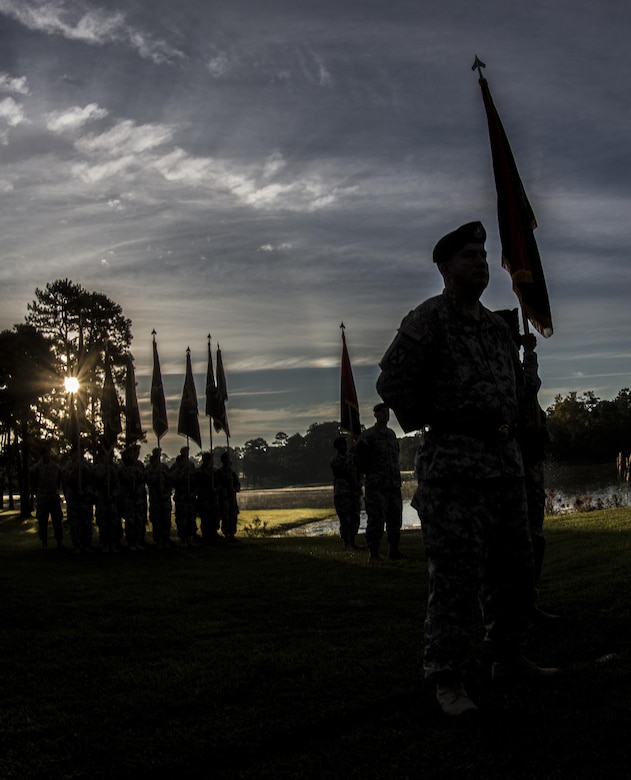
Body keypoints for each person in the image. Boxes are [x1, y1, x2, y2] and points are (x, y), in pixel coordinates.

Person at [376, 221, 558, 718]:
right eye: (468, 256)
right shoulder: (430, 318)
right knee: (455, 578)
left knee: (514, 570)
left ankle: (507, 655)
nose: (479, 262)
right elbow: (393, 382)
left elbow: (516, 393)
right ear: (444, 268)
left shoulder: (498, 328)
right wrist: (439, 418)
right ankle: (448, 677)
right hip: (455, 471)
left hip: (504, 465)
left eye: (482, 254)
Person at [353, 403, 403, 562]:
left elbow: (396, 456)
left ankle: (394, 550)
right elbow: (358, 459)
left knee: (395, 520)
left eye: (387, 412)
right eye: (382, 412)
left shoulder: (391, 434)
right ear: (375, 415)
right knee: (376, 520)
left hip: (393, 485)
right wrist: (371, 474)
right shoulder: (368, 436)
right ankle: (373, 553)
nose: (385, 415)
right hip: (377, 486)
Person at [330, 436, 362, 550]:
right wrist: (352, 457)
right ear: (337, 447)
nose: (345, 446)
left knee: (355, 518)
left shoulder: (352, 458)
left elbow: (358, 469)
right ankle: (347, 543)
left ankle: (353, 541)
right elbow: (345, 470)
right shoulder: (335, 461)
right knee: (345, 520)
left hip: (353, 493)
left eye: (345, 444)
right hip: (342, 494)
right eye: (342, 445)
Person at [30, 445, 65, 550]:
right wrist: (37, 493)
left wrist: (56, 490)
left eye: (48, 453)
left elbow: (60, 478)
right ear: (42, 455)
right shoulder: (36, 468)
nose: (47, 455)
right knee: (42, 521)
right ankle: (44, 542)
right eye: (45, 453)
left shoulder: (56, 467)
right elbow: (33, 481)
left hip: (53, 497)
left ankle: (59, 542)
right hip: (43, 497)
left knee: (57, 520)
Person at [62, 446, 94, 554]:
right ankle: (77, 544)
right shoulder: (68, 466)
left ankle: (86, 544)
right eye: (75, 454)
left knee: (86, 522)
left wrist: (86, 491)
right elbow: (66, 480)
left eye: (79, 453)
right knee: (74, 523)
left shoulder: (87, 466)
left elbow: (91, 480)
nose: (77, 455)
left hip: (85, 498)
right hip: (73, 497)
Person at [93, 448, 123, 552]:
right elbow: (95, 484)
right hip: (101, 499)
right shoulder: (96, 469)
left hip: (112, 500)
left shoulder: (115, 468)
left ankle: (114, 543)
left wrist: (113, 495)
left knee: (114, 522)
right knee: (103, 522)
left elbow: (118, 484)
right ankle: (105, 543)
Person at [119, 443, 148, 551]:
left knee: (139, 520)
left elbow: (143, 478)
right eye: (135, 452)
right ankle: (131, 542)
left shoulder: (139, 465)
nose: (137, 454)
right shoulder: (124, 465)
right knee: (130, 521)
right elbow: (123, 478)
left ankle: (138, 540)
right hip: (128, 497)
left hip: (139, 497)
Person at [171, 446, 199, 547]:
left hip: (190, 497)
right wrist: (183, 472)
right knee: (182, 519)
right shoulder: (176, 469)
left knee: (191, 519)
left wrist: (194, 492)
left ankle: (190, 538)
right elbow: (175, 481)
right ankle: (183, 539)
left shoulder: (191, 465)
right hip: (181, 498)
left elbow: (195, 480)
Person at [145, 447, 173, 549]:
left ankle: (166, 539)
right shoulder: (149, 468)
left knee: (166, 520)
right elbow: (149, 481)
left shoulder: (164, 467)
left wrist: (168, 493)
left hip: (165, 498)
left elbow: (170, 481)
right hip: (156, 499)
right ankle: (158, 540)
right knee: (157, 520)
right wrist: (155, 472)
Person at [196, 451, 220, 544]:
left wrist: (216, 488)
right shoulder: (200, 471)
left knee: (214, 517)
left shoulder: (214, 471)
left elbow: (218, 483)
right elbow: (201, 481)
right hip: (204, 498)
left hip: (213, 498)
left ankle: (213, 534)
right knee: (205, 518)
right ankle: (206, 535)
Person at [216, 452, 240, 541]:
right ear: (223, 460)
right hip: (224, 498)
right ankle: (226, 534)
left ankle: (232, 534)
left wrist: (235, 489)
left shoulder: (232, 472)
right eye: (227, 459)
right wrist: (223, 491)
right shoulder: (219, 472)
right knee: (225, 516)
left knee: (233, 516)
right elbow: (218, 485)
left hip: (232, 498)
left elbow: (237, 484)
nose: (229, 461)